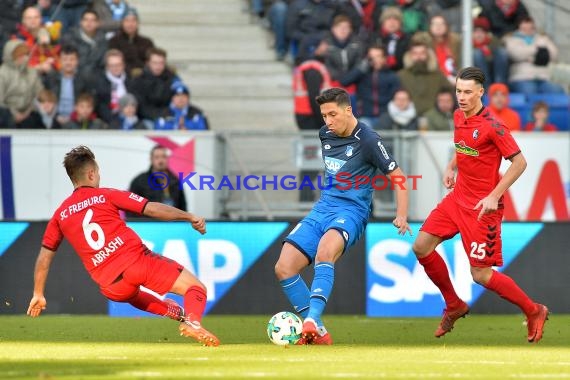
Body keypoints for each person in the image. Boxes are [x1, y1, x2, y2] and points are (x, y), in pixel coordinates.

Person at [27, 146, 219, 347]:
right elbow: (151, 209)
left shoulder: (60, 214)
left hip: (112, 287)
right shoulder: (106, 195)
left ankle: (172, 311)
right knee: (196, 288)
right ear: (91, 174)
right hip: (136, 262)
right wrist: (188, 216)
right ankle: (194, 323)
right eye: (98, 172)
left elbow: (44, 258)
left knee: (132, 295)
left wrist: (38, 293)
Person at [411, 66, 548, 343]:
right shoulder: (459, 116)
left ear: (481, 92)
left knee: (481, 275)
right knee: (421, 246)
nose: (461, 97)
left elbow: (520, 163)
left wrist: (494, 195)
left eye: (467, 92)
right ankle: (454, 304)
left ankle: (534, 310)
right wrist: (451, 166)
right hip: (456, 199)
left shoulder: (493, 126)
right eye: (458, 91)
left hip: (483, 209)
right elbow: (464, 149)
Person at [275, 87, 412, 345]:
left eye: (332, 115)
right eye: (324, 116)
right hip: (323, 208)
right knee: (284, 267)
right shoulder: (325, 134)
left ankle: (312, 320)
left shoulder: (369, 140)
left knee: (325, 253)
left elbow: (400, 178)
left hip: (352, 211)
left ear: (348, 110)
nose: (328, 121)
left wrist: (401, 215)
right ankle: (319, 334)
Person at [340, 44, 401, 128]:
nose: (375, 60)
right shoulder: (362, 74)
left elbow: (396, 95)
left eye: (378, 56)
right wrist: (360, 69)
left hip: (385, 115)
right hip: (365, 115)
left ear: (384, 58)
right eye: (372, 57)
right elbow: (344, 82)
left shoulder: (391, 76)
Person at [503, 16, 564, 95]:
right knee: (530, 91)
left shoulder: (542, 38)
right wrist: (537, 49)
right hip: (521, 77)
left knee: (558, 91)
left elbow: (554, 55)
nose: (528, 28)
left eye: (530, 26)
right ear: (519, 26)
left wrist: (529, 57)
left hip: (543, 78)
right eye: (524, 25)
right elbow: (516, 54)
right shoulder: (511, 38)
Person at [397, 39, 452, 116]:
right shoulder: (401, 75)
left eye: (422, 53)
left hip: (433, 119)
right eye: (415, 53)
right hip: (408, 118)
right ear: (410, 55)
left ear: (428, 55)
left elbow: (450, 93)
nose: (419, 56)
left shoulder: (438, 75)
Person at [42, 44, 91, 126]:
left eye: (72, 59)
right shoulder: (51, 79)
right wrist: (55, 116)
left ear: (77, 61)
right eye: (65, 59)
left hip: (77, 120)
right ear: (60, 60)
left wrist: (73, 117)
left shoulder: (84, 80)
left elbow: (88, 102)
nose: (68, 63)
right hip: (54, 119)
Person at [129, 145, 186, 213]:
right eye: (157, 157)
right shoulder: (139, 181)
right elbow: (131, 207)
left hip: (172, 222)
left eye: (163, 157)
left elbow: (183, 207)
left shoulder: (176, 181)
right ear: (151, 159)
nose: (160, 160)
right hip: (147, 222)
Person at [0, 40, 44, 129]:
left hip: (28, 111)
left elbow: (38, 94)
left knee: (36, 120)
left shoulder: (32, 72)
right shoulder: (2, 73)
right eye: (19, 55)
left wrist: (27, 112)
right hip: (7, 110)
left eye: (25, 54)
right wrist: (14, 113)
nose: (23, 58)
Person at [108, 8, 155, 77]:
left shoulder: (147, 42)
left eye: (133, 20)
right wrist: (130, 71)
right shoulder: (114, 42)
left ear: (138, 23)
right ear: (122, 23)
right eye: (127, 20)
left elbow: (152, 61)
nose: (130, 24)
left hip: (144, 78)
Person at [61, 9, 108, 76]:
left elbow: (103, 62)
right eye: (86, 20)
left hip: (96, 76)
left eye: (92, 20)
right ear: (81, 22)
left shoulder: (103, 40)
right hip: (76, 75)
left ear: (98, 23)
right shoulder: (70, 38)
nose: (89, 23)